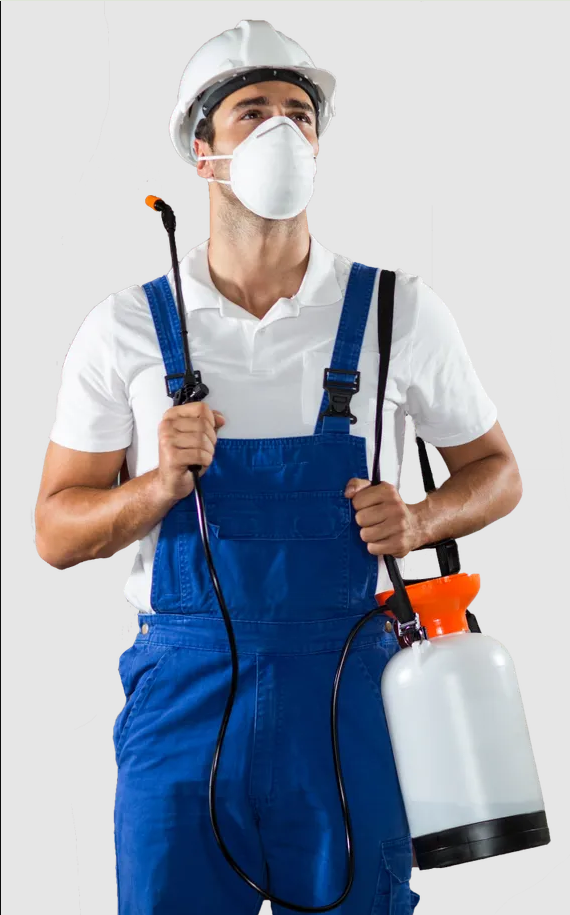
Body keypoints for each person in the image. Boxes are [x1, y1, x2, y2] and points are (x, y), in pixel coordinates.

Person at [35, 18, 522, 915]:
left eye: (299, 115)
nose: (281, 134)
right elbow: (55, 531)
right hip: (181, 700)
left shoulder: (394, 312)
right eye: (252, 112)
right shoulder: (128, 329)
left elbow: (498, 470)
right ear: (202, 150)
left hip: (347, 695)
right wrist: (154, 486)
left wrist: (416, 521)